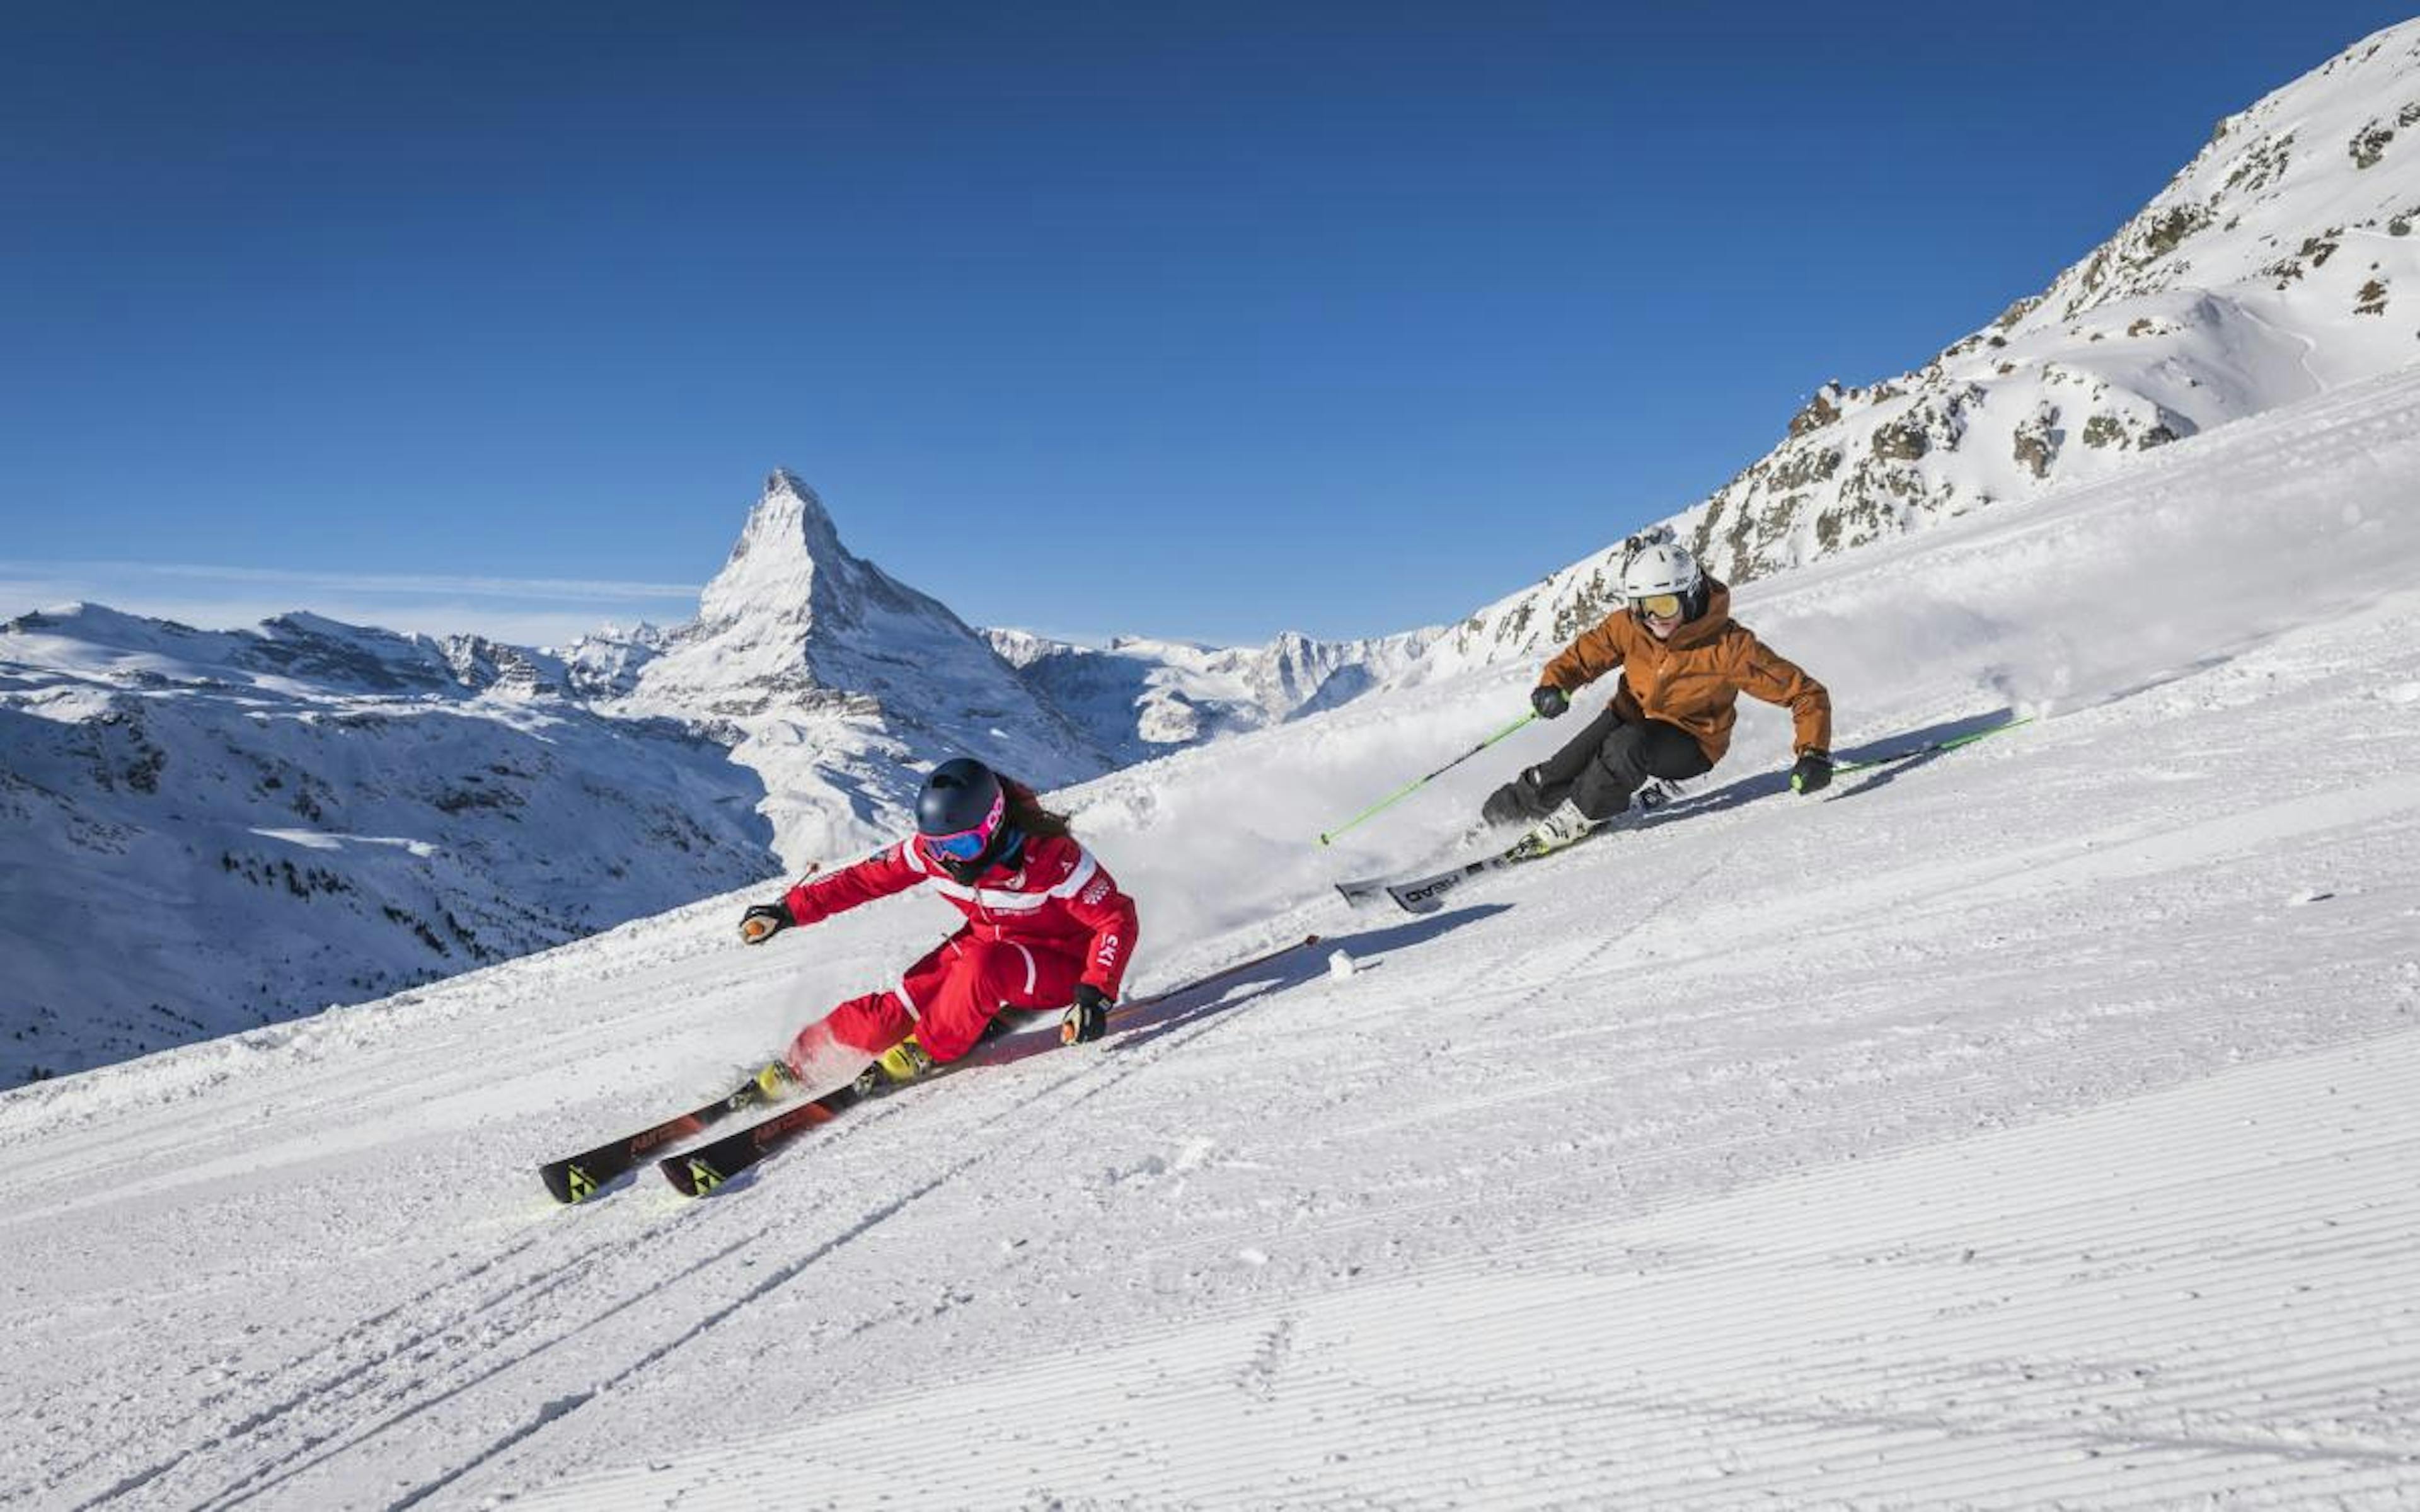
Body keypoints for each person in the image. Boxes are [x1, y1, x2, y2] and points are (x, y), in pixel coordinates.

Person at [737, 757, 1139, 1087]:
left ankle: (927, 1047)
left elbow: (1116, 918)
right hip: (986, 943)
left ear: (995, 824)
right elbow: (862, 880)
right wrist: (789, 910)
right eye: (938, 847)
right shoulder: (929, 855)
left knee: (985, 968)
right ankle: (805, 1060)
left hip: (1062, 962)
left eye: (964, 845)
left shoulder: (1054, 858)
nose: (951, 860)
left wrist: (1094, 995)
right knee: (893, 1013)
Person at [1482, 535, 1833, 854]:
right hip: (1629, 716)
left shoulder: (1729, 647)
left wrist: (1814, 754)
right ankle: (1503, 816)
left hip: (1692, 743)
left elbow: (1806, 694)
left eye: (1664, 606)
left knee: (1624, 748)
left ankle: (1583, 814)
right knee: (1564, 765)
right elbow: (1587, 653)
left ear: (1691, 595)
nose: (1653, 619)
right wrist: (1556, 684)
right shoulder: (1631, 626)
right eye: (1642, 606)